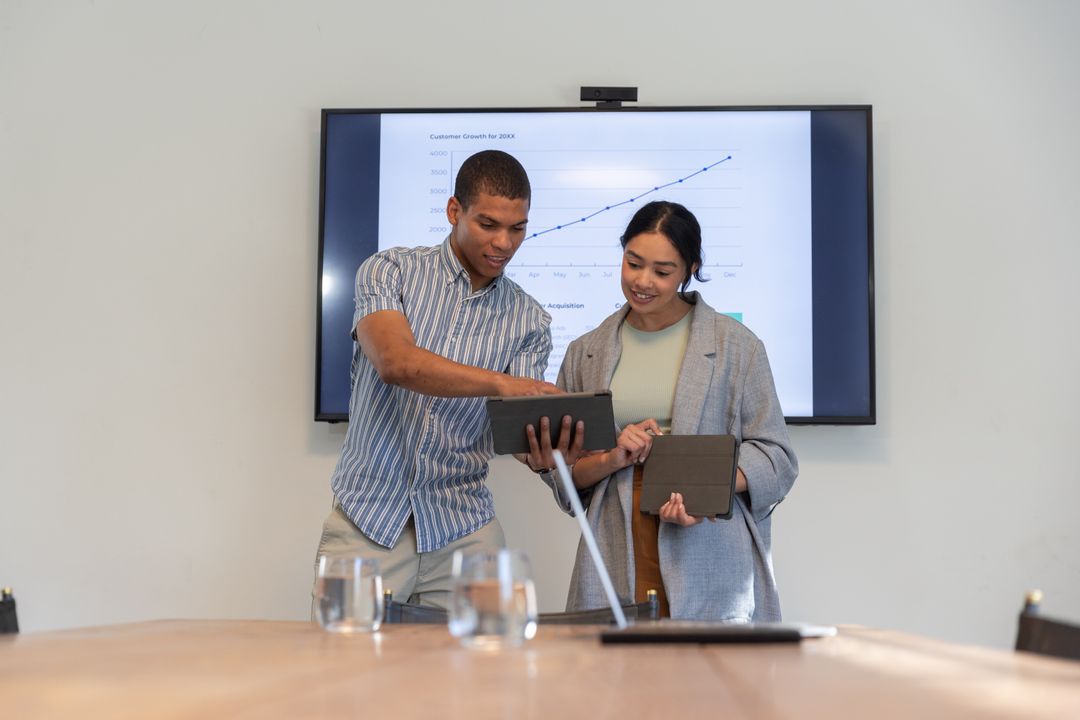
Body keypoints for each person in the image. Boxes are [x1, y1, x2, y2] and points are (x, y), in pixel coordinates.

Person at [313, 150, 565, 610]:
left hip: (464, 529)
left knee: (484, 676)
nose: (504, 243)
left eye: (518, 228)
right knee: (342, 676)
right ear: (454, 211)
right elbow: (395, 362)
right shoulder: (388, 270)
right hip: (367, 522)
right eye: (488, 224)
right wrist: (503, 384)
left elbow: (514, 429)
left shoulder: (531, 320)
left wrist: (546, 449)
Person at [540, 200, 798, 621]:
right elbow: (565, 480)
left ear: (690, 269)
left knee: (706, 681)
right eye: (633, 263)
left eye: (662, 272)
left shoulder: (739, 347)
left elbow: (778, 459)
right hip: (615, 546)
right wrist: (612, 457)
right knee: (614, 680)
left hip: (709, 543)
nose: (643, 281)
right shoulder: (586, 351)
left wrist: (702, 490)